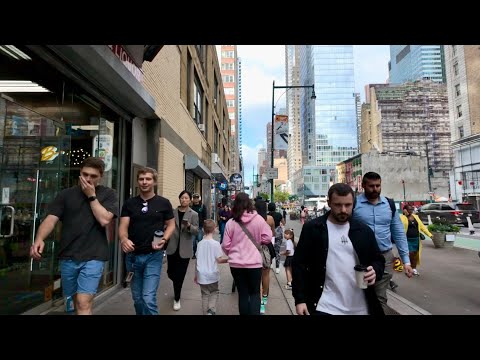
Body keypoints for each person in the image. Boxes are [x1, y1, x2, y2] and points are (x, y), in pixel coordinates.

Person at [30, 157, 118, 315]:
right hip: (68, 256)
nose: (88, 179)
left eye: (93, 176)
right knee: (71, 303)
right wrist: (39, 239)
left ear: (101, 176)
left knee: (83, 303)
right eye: (85, 174)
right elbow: (51, 219)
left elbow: (104, 220)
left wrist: (91, 196)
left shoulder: (108, 194)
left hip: (94, 256)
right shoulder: (65, 195)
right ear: (80, 172)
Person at [292, 183, 385, 315]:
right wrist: (300, 299)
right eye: (338, 205)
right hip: (324, 306)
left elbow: (378, 260)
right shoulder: (313, 229)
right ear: (329, 203)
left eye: (348, 205)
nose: (343, 210)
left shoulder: (363, 231)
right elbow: (299, 264)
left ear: (354, 204)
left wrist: (375, 270)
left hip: (361, 308)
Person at [352, 172, 413, 312]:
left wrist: (406, 261)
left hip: (385, 258)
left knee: (380, 297)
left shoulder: (389, 205)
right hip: (359, 258)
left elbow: (398, 234)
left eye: (378, 185)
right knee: (358, 295)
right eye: (371, 186)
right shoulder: (354, 204)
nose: (375, 189)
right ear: (363, 186)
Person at [118, 167, 175, 315]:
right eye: (141, 179)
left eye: (148, 179)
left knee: (148, 298)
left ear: (154, 182)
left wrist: (164, 238)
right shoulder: (129, 204)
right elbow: (123, 226)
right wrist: (124, 239)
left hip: (153, 256)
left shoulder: (164, 203)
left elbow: (171, 225)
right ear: (138, 181)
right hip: (132, 257)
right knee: (137, 298)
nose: (144, 182)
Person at [222, 192, 272, 315]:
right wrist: (258, 242)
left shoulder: (231, 222)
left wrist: (233, 252)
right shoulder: (259, 219)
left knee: (243, 294)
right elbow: (268, 238)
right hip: (254, 264)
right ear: (249, 203)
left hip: (236, 264)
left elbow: (225, 245)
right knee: (255, 293)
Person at [166, 190, 199, 311]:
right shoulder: (172, 212)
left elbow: (196, 231)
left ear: (190, 200)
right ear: (179, 199)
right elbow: (166, 226)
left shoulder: (194, 214)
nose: (184, 200)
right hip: (172, 247)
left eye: (186, 198)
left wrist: (190, 226)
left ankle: (177, 298)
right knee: (171, 272)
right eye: (182, 198)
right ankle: (176, 284)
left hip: (185, 249)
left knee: (180, 275)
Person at [194, 219, 228, 315]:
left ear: (204, 230)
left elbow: (196, 261)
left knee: (204, 294)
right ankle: (211, 309)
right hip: (212, 274)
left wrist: (195, 275)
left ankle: (206, 313)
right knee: (214, 292)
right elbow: (219, 260)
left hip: (201, 274)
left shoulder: (199, 244)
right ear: (214, 230)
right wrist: (228, 259)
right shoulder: (216, 244)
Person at [254, 197, 276, 314]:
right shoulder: (270, 219)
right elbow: (272, 233)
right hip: (267, 248)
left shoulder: (252, 219)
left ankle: (258, 300)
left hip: (254, 248)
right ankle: (265, 299)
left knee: (256, 275)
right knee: (266, 274)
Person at [400, 204, 432, 276]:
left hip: (416, 239)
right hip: (407, 239)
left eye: (411, 209)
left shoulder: (416, 217)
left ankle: (414, 268)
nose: (411, 211)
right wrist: (404, 214)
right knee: (410, 253)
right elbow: (400, 226)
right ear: (405, 210)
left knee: (415, 255)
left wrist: (430, 235)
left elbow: (422, 227)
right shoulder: (402, 217)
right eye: (409, 209)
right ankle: (408, 267)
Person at [268, 202, 286, 274]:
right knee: (277, 250)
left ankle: (271, 263)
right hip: (278, 233)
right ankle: (277, 267)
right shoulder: (279, 214)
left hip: (269, 233)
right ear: (275, 207)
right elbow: (283, 222)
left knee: (270, 249)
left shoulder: (267, 215)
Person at [191, 193, 207, 259]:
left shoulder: (202, 206)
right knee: (193, 242)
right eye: (194, 198)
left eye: (197, 198)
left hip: (200, 227)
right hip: (192, 227)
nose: (196, 199)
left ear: (199, 198)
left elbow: (205, 217)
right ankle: (194, 253)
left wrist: (204, 227)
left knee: (200, 241)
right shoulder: (191, 207)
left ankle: (200, 253)